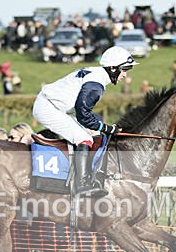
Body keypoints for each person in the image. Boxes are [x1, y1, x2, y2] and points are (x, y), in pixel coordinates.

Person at [32, 46, 135, 196]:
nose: (125, 75)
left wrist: (102, 127)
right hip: (48, 108)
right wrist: (107, 128)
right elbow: (83, 116)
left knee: (89, 135)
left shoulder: (97, 73)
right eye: (124, 70)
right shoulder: (96, 85)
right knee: (84, 138)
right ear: (113, 68)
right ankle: (81, 185)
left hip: (52, 105)